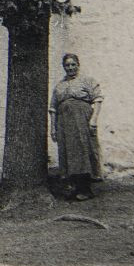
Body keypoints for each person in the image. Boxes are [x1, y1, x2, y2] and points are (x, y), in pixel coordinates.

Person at [50, 52, 103, 200]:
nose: (70, 67)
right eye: (67, 65)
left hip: (82, 121)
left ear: (78, 65)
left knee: (84, 151)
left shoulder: (87, 81)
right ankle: (74, 187)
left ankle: (85, 189)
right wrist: (53, 128)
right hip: (64, 124)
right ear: (63, 67)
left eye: (73, 64)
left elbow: (98, 100)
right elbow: (53, 108)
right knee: (68, 153)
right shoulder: (59, 86)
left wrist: (93, 120)